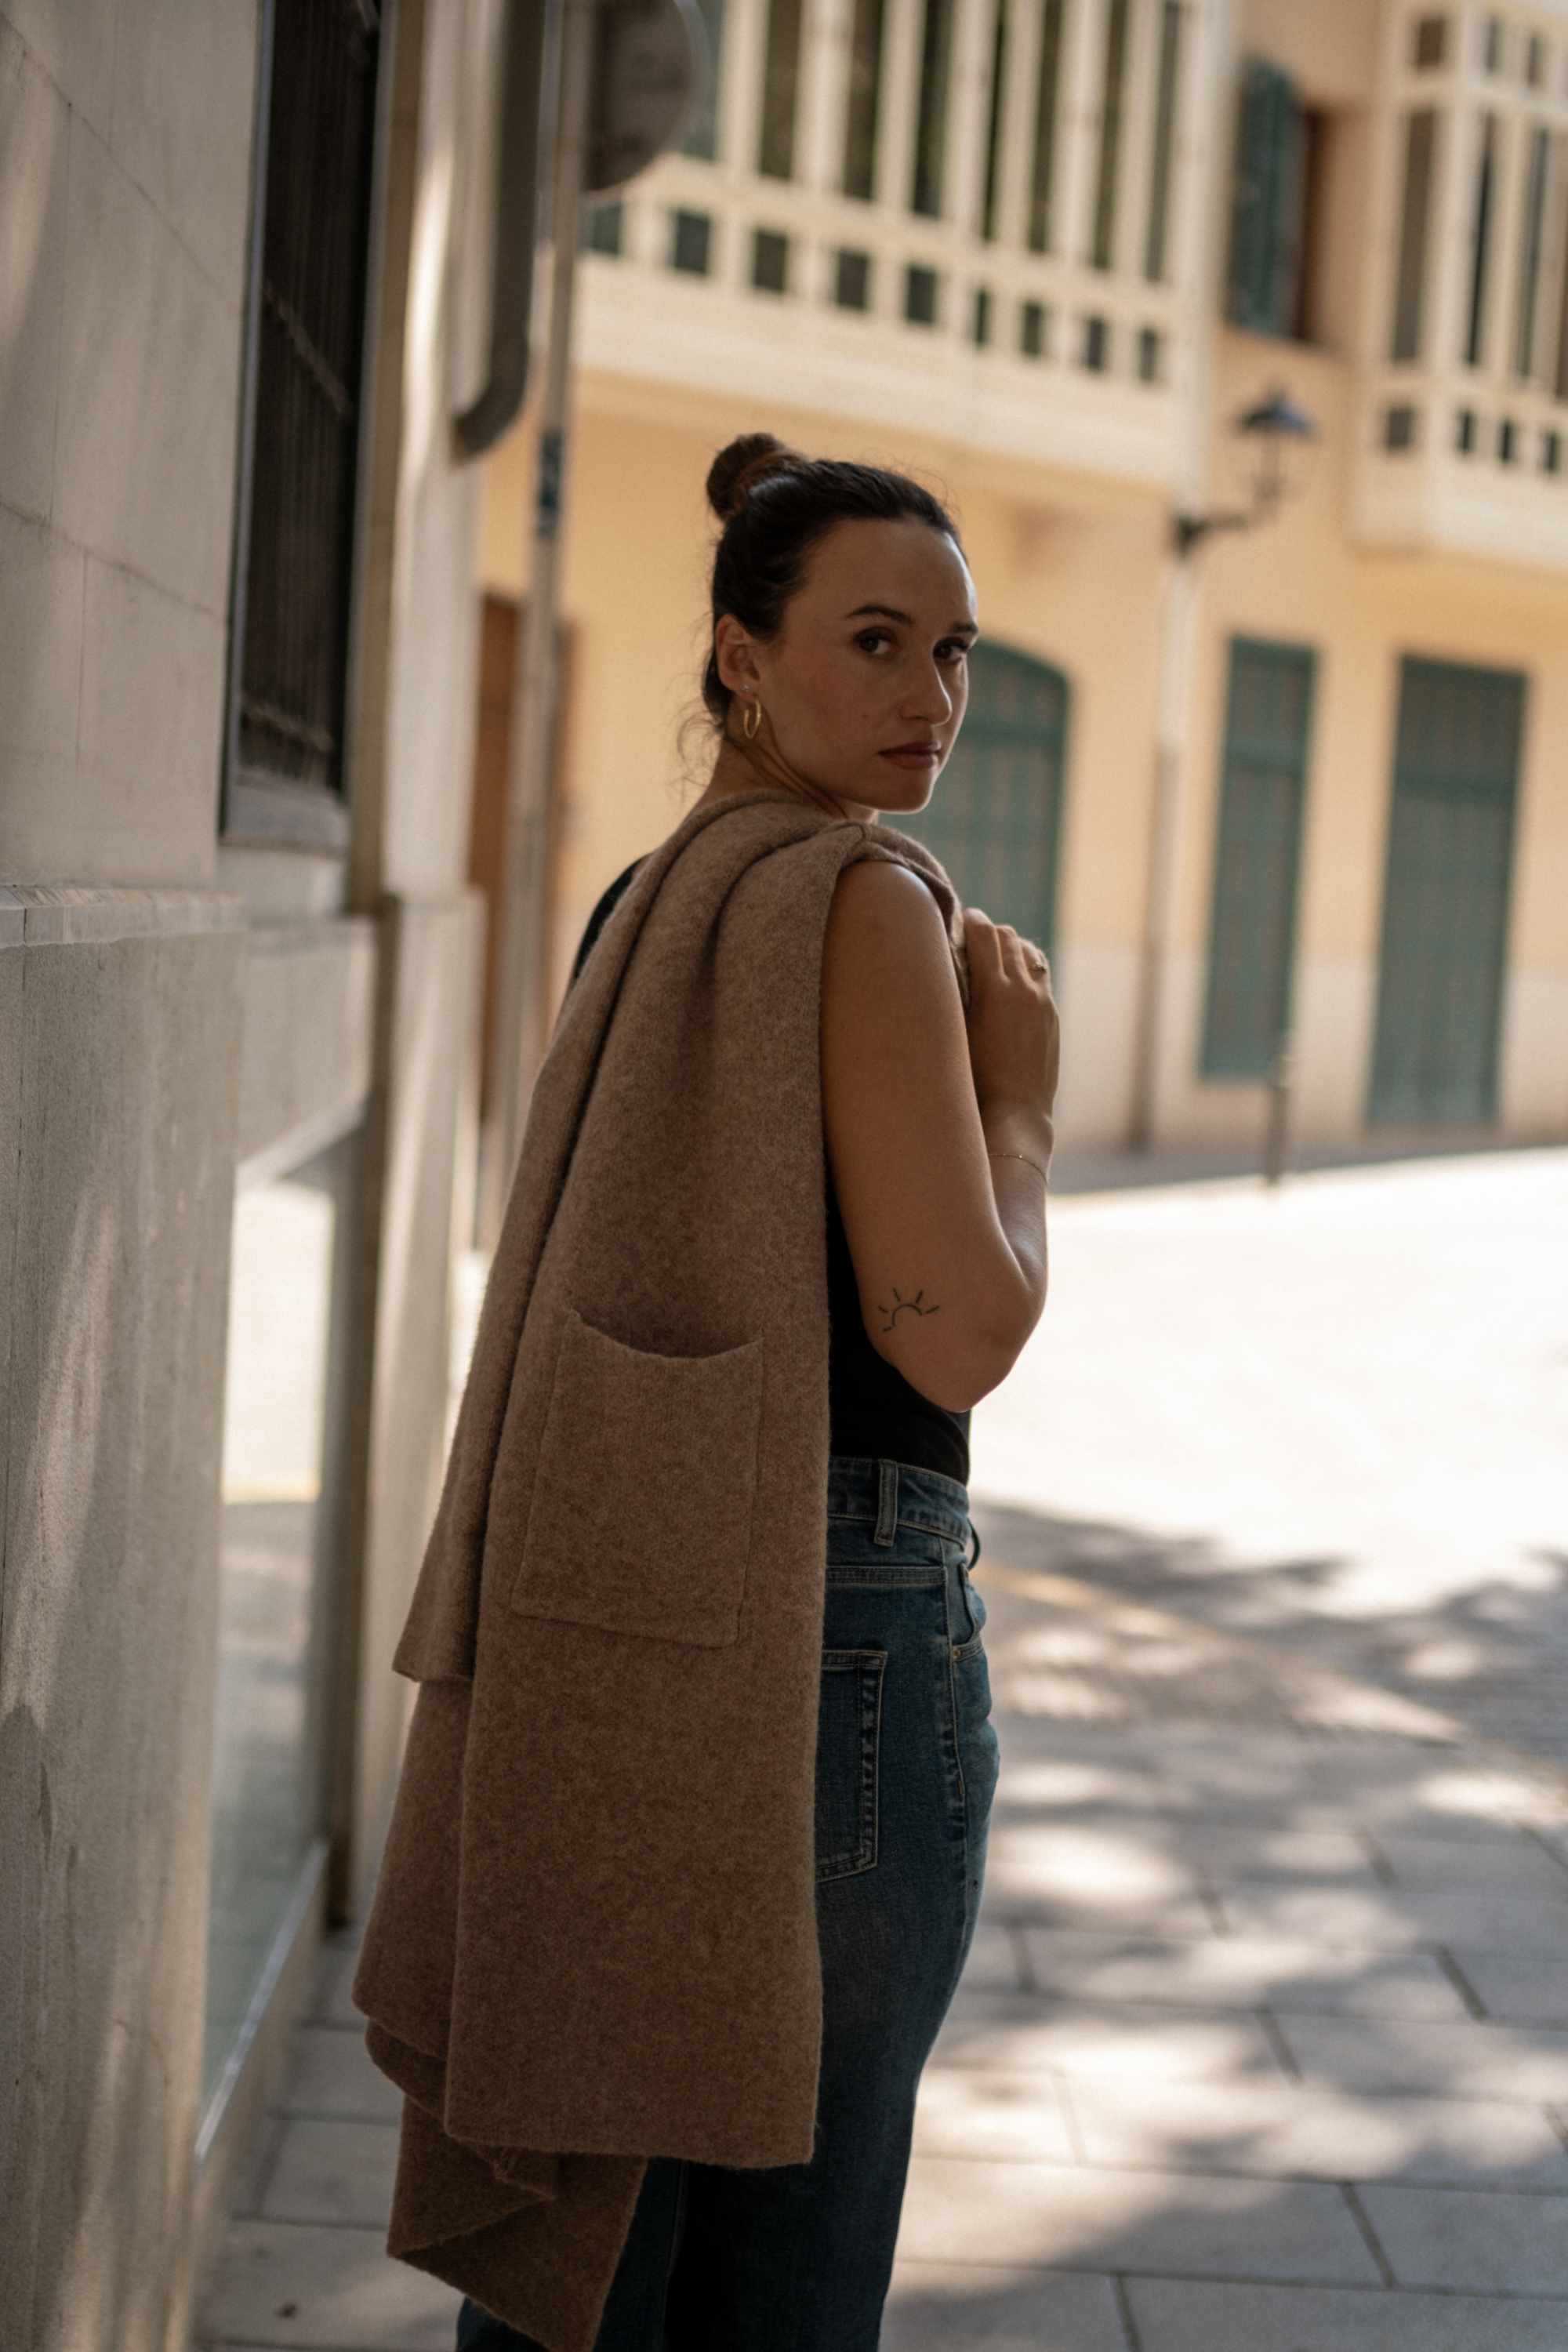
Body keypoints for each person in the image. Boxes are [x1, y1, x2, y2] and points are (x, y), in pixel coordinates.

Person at [456, 431, 1058, 2351]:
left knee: (603, 2232)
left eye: (952, 654)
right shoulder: (863, 904)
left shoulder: (645, 900)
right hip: (851, 1626)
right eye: (874, 642)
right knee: (789, 2252)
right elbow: (956, 1332)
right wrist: (1020, 1105)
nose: (928, 696)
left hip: (630, 1598)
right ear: (741, 653)